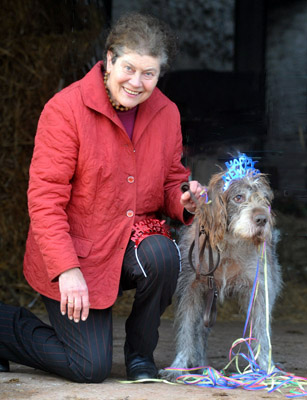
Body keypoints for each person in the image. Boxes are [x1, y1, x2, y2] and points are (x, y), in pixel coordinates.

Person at [0, 12, 202, 383]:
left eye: (149, 74)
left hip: (130, 241)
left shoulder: (167, 112)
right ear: (109, 60)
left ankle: (140, 356)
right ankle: (3, 327)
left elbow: (171, 180)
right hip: (79, 253)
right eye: (129, 68)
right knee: (88, 367)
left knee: (164, 255)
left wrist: (183, 199)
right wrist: (66, 269)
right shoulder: (65, 109)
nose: (137, 83)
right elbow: (45, 200)